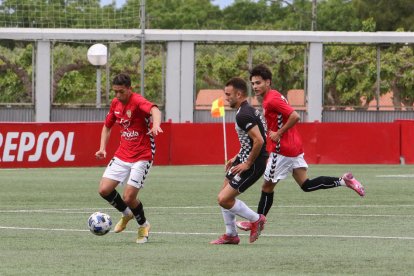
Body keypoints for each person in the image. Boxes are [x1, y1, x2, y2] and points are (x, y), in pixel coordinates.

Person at [236, 64, 365, 231]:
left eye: (258, 83)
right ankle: (343, 181)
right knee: (306, 184)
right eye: (253, 84)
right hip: (294, 146)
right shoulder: (274, 96)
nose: (255, 87)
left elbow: (295, 116)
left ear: (268, 82)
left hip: (282, 149)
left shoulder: (271, 99)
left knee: (267, 186)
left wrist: (279, 133)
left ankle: (257, 222)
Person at [95, 73, 163, 244]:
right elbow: (107, 126)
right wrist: (102, 148)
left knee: (129, 197)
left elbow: (155, 110)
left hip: (142, 154)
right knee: (104, 190)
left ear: (129, 89)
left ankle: (143, 225)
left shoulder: (138, 101)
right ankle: (127, 214)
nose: (118, 95)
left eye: (121, 92)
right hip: (122, 153)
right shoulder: (115, 103)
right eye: (115, 92)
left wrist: (156, 124)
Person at [210, 77, 268, 245]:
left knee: (224, 199)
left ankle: (257, 219)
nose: (226, 98)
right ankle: (231, 234)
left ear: (239, 93)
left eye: (228, 94)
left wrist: (247, 163)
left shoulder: (243, 114)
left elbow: (259, 141)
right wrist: (237, 157)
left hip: (254, 163)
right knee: (223, 194)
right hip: (243, 158)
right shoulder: (247, 110)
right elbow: (250, 141)